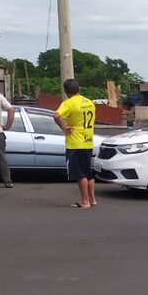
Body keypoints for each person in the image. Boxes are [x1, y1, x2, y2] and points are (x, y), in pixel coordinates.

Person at [53, 79, 97, 208]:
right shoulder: (89, 102)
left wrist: (63, 126)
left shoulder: (69, 103)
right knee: (88, 172)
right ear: (79, 89)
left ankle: (85, 201)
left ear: (66, 91)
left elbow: (56, 116)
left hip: (75, 142)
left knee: (80, 173)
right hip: (88, 142)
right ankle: (92, 199)